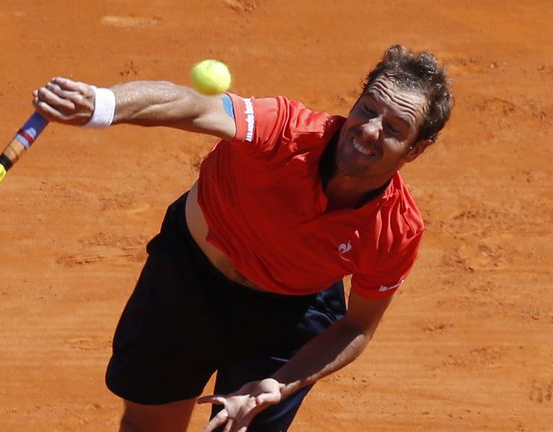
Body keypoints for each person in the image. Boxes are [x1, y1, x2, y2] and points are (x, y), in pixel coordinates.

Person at [31, 44, 453, 432]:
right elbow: (193, 106)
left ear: (417, 149)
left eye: (396, 128)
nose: (369, 130)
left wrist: (278, 384)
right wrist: (102, 104)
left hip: (288, 316)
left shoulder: (395, 230)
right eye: (368, 109)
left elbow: (358, 326)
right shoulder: (285, 130)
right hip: (187, 280)